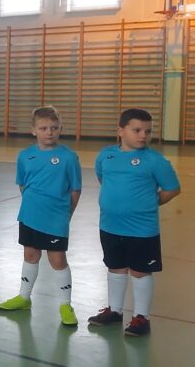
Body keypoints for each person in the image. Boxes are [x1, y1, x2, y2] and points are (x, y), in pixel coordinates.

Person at [87, 109, 181, 336]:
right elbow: (102, 178)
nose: (143, 136)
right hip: (110, 225)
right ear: (120, 131)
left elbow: (172, 189)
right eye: (137, 130)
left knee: (140, 271)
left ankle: (141, 317)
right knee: (115, 267)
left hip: (142, 229)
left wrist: (149, 203)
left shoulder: (155, 161)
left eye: (148, 131)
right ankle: (115, 311)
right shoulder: (106, 155)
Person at [0, 106, 83, 327]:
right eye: (43, 128)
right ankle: (24, 298)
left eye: (54, 128)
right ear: (33, 130)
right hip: (29, 215)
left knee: (57, 259)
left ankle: (65, 304)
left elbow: (75, 189)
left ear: (60, 128)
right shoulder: (25, 156)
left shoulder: (68, 157)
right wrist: (32, 205)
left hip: (56, 218)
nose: (49, 132)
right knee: (30, 255)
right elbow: (23, 185)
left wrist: (67, 214)